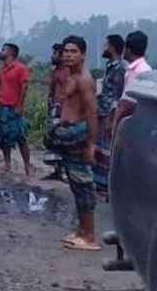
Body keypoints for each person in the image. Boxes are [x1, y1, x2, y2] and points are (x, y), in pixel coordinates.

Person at [46, 36, 99, 251]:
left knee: (83, 185)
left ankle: (89, 236)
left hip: (79, 134)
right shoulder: (71, 76)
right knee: (75, 185)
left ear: (83, 54)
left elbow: (92, 113)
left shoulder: (84, 79)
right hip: (68, 133)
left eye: (73, 51)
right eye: (66, 51)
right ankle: (81, 230)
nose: (68, 54)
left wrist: (91, 145)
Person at [0, 43, 33, 175]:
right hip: (2, 107)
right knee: (3, 136)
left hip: (14, 107)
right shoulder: (1, 69)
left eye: (3, 50)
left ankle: (27, 165)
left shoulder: (21, 68)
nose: (0, 52)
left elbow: (25, 86)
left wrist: (20, 104)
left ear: (10, 53)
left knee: (20, 136)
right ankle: (7, 164)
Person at [94, 34, 126, 193]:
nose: (104, 48)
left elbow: (117, 96)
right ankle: (100, 183)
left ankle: (106, 184)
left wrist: (111, 118)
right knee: (99, 148)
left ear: (112, 47)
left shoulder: (120, 68)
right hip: (102, 111)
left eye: (106, 45)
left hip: (108, 114)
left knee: (107, 149)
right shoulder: (110, 66)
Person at [113, 30, 153, 139]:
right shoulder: (136, 69)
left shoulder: (140, 71)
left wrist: (115, 126)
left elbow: (127, 103)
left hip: (134, 125)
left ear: (129, 49)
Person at [42, 43, 71, 181]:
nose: (52, 56)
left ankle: (65, 171)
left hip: (63, 109)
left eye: (55, 54)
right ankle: (57, 170)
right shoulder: (56, 71)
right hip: (55, 107)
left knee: (63, 139)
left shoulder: (66, 71)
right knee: (54, 140)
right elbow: (52, 90)